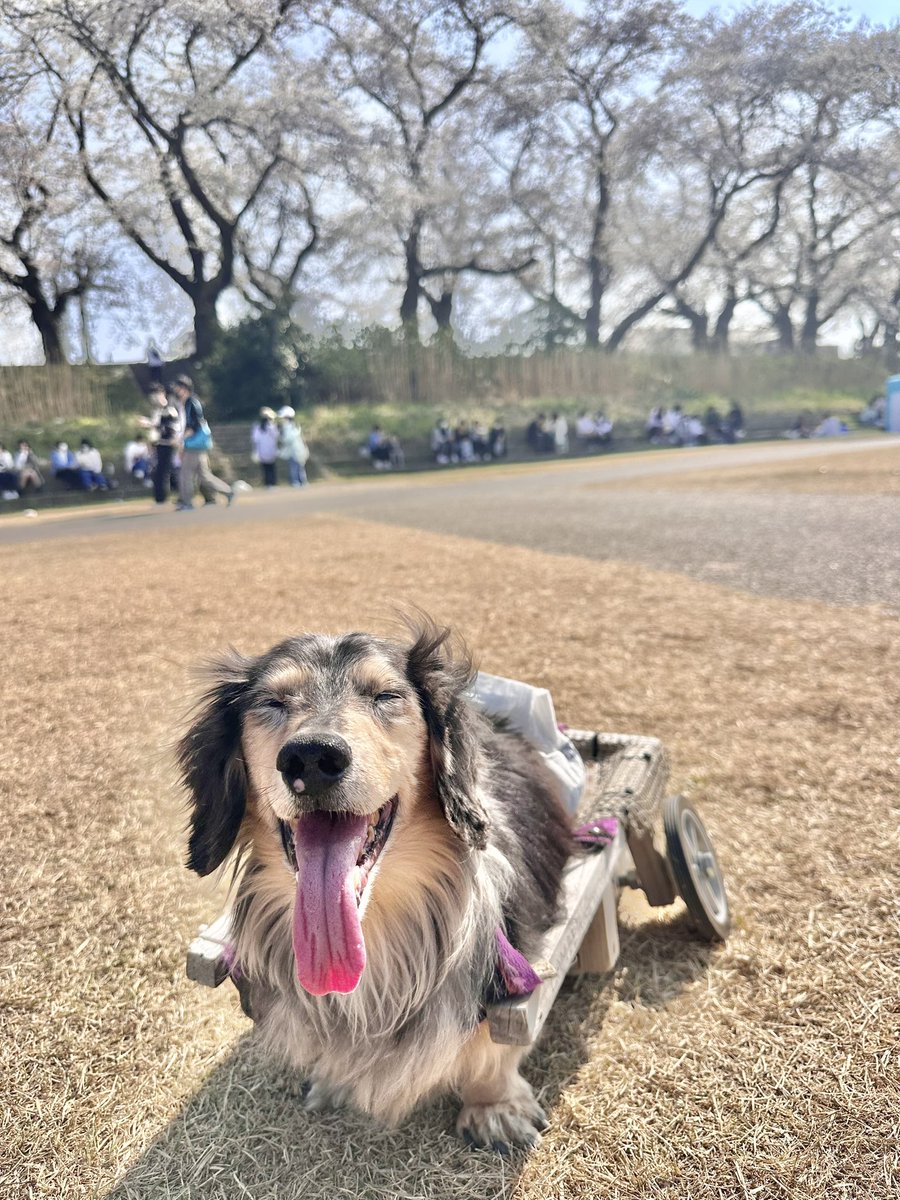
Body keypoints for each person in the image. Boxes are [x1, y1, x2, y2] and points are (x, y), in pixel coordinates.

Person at [173, 374, 234, 511]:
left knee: (185, 474)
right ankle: (228, 491)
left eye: (178, 388)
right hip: (198, 444)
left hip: (193, 445)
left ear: (184, 388)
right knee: (204, 475)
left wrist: (181, 439)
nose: (177, 391)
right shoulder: (192, 402)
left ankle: (187, 502)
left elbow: (193, 425)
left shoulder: (190, 403)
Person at [148, 386, 180, 503]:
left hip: (167, 445)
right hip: (159, 444)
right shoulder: (157, 411)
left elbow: (172, 428)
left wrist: (152, 425)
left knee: (165, 471)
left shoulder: (169, 410)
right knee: (160, 471)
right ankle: (160, 496)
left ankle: (163, 496)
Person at [277, 406, 309, 486]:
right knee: (295, 466)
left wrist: (282, 438)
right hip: (293, 450)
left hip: (296, 449)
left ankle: (300, 481)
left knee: (297, 466)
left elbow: (288, 438)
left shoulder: (291, 426)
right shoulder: (290, 426)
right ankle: (298, 481)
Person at [251, 407, 279, 488]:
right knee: (272, 468)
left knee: (265, 468)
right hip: (271, 450)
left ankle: (268, 483)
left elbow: (255, 440)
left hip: (262, 451)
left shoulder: (257, 427)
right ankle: (273, 483)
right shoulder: (272, 426)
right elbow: (277, 436)